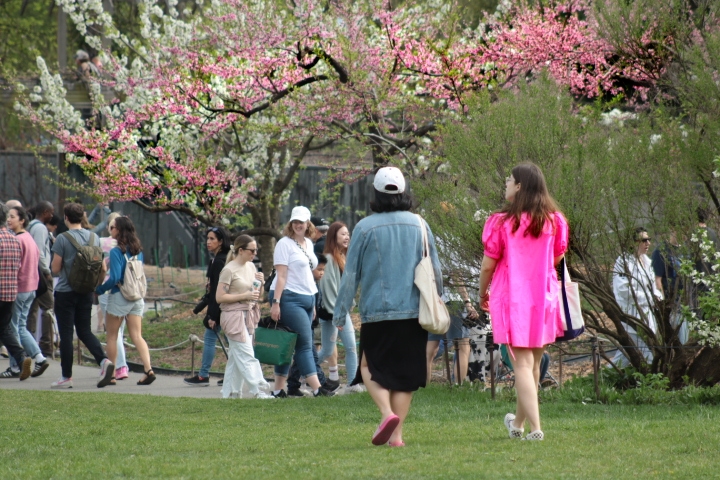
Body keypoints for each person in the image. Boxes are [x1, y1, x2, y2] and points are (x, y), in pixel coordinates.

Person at [334, 167, 442, 447]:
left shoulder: (365, 227)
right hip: (414, 311)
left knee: (368, 365)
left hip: (377, 312)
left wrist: (340, 309)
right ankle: (397, 437)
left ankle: (385, 413)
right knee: (405, 377)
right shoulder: (420, 224)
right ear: (404, 191)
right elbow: (436, 270)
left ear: (377, 194)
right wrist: (438, 300)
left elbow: (351, 274)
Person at [478, 162, 569, 442]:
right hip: (543, 298)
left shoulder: (501, 222)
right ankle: (516, 424)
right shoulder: (554, 220)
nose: (505, 183)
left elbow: (487, 267)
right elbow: (556, 259)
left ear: (519, 186)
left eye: (509, 180)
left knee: (521, 365)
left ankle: (536, 429)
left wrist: (482, 294)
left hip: (514, 298)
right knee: (532, 365)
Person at [268, 206, 334, 398]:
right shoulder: (284, 244)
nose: (298, 225)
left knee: (287, 343)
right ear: (291, 223)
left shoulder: (308, 243)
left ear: (308, 224)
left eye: (301, 222)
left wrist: (312, 303)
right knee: (304, 343)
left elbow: (308, 275)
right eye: (295, 222)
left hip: (307, 296)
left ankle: (279, 390)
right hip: (288, 296)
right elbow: (281, 275)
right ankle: (317, 388)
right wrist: (276, 303)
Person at [50, 202, 113, 389]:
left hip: (65, 293)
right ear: (83, 217)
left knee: (67, 335)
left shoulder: (62, 238)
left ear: (66, 218)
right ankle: (103, 361)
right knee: (85, 331)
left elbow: (55, 269)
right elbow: (102, 268)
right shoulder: (94, 237)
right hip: (86, 292)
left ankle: (66, 377)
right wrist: (95, 284)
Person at [96, 216, 155, 385]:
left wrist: (99, 289)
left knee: (112, 336)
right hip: (137, 297)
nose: (111, 229)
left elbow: (115, 277)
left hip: (120, 296)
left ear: (119, 230)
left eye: (113, 227)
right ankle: (148, 369)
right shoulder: (138, 250)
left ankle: (112, 374)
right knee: (137, 336)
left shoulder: (116, 252)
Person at [216, 235, 271, 399]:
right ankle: (257, 389)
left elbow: (256, 296)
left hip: (249, 314)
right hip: (233, 315)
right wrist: (243, 296)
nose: (254, 253)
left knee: (236, 356)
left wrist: (260, 283)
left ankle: (231, 393)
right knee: (246, 353)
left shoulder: (252, 267)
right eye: (252, 250)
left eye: (256, 250)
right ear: (241, 250)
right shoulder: (228, 269)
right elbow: (219, 297)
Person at [1, 206, 49, 378]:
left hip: (19, 287)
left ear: (22, 220)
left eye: (13, 217)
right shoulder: (28, 238)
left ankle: (20, 365)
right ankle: (35, 358)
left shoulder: (18, 240)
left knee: (14, 329)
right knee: (20, 326)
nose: (9, 220)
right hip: (31, 287)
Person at [426, 234, 479, 385]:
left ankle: (424, 386)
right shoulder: (453, 242)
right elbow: (456, 275)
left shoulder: (431, 241)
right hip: (453, 300)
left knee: (431, 346)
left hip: (435, 300)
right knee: (462, 345)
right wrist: (467, 302)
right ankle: (458, 386)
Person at [185, 226, 231, 386]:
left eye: (212, 239)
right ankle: (207, 375)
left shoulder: (219, 261)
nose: (208, 242)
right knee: (230, 343)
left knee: (221, 341)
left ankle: (204, 375)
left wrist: (212, 315)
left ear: (221, 241)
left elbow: (218, 291)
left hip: (221, 309)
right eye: (208, 238)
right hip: (223, 308)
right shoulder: (220, 259)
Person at [318, 221, 360, 391]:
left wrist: (349, 307)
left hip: (340, 311)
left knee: (344, 348)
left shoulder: (343, 258)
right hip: (332, 313)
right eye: (343, 234)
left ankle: (352, 384)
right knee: (331, 350)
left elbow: (348, 287)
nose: (347, 237)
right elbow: (328, 290)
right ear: (333, 236)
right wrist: (338, 316)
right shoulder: (329, 259)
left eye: (348, 233)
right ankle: (299, 373)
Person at [612, 227, 663, 367]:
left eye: (649, 240)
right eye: (643, 240)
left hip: (647, 316)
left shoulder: (646, 261)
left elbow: (653, 287)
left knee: (626, 355)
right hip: (632, 317)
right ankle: (654, 384)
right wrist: (650, 299)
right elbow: (625, 290)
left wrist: (659, 298)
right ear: (633, 243)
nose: (648, 243)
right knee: (646, 356)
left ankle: (603, 378)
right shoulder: (623, 262)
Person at [286, 255, 334, 397]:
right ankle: (321, 383)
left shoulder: (314, 284)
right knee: (310, 353)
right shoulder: (303, 285)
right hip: (305, 325)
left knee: (303, 354)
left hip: (311, 324)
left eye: (323, 270)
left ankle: (293, 385)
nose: (322, 273)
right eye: (319, 269)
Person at [0, 202, 32, 380]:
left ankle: (20, 359)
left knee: (5, 329)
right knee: (5, 329)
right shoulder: (14, 239)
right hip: (10, 292)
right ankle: (21, 358)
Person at [26, 201, 56, 357]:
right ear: (44, 212)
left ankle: (29, 342)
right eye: (50, 212)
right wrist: (46, 271)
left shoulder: (31, 226)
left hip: (33, 273)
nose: (52, 215)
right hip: (41, 275)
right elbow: (39, 252)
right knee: (48, 307)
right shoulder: (39, 228)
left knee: (32, 308)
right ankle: (46, 344)